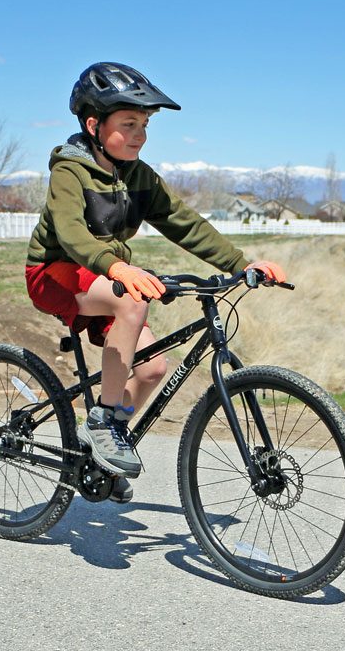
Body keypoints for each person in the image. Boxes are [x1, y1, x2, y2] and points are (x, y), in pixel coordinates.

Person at [25, 62, 285, 501]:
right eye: (128, 124)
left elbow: (184, 223)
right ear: (93, 124)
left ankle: (105, 447)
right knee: (132, 302)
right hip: (55, 273)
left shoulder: (138, 176)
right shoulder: (70, 171)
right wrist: (119, 268)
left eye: (144, 124)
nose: (140, 134)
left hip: (103, 274)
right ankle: (103, 422)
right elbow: (71, 233)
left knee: (152, 367)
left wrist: (242, 263)